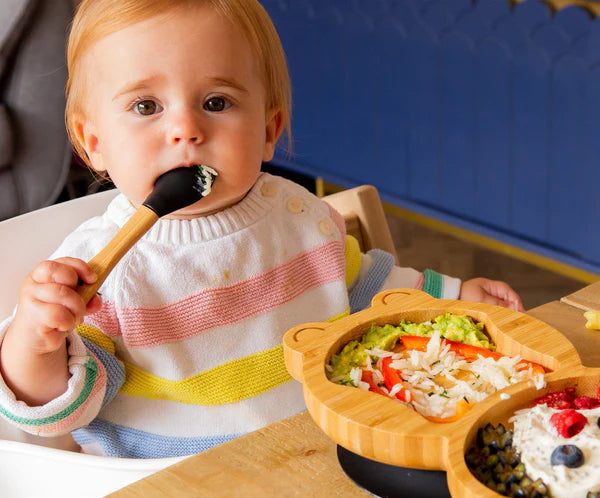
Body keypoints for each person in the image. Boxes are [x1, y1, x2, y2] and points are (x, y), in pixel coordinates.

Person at [0, 0, 523, 458]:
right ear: (93, 143)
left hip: (312, 462)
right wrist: (36, 342)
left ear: (268, 130)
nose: (186, 129)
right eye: (146, 107)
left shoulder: (298, 217)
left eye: (216, 103)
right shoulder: (100, 272)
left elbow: (369, 290)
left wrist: (458, 298)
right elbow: (57, 414)